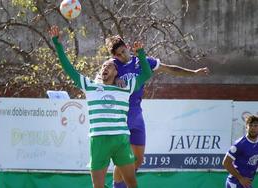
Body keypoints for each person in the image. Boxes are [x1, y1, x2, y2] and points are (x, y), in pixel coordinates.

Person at [48, 25, 153, 188]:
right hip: (98, 141)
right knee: (97, 186)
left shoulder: (125, 87)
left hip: (120, 141)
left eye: (109, 66)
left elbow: (146, 74)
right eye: (103, 66)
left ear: (116, 72)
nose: (104, 68)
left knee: (131, 183)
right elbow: (68, 69)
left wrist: (141, 53)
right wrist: (57, 43)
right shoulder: (90, 87)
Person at [105, 35, 210, 188]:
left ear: (127, 47)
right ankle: (118, 186)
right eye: (118, 55)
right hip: (121, 115)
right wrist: (114, 80)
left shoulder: (142, 61)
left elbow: (170, 69)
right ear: (114, 56)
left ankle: (122, 183)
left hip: (137, 114)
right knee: (124, 158)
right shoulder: (112, 65)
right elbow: (100, 81)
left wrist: (193, 73)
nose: (122, 56)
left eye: (123, 51)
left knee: (138, 160)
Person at [222, 115, 258, 188]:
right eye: (250, 125)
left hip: (246, 184)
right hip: (235, 183)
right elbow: (226, 162)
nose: (253, 128)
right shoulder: (239, 144)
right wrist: (240, 178)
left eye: (256, 125)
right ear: (246, 127)